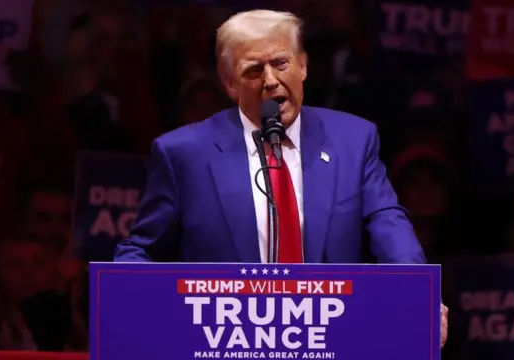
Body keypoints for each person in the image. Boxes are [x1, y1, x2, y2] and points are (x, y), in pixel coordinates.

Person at [114, 9, 447, 347]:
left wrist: (416, 292)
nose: (270, 80)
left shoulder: (353, 141)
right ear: (229, 83)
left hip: (333, 343)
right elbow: (141, 250)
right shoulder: (184, 154)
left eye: (281, 63)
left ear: (303, 65)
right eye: (254, 70)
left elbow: (388, 223)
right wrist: (125, 296)